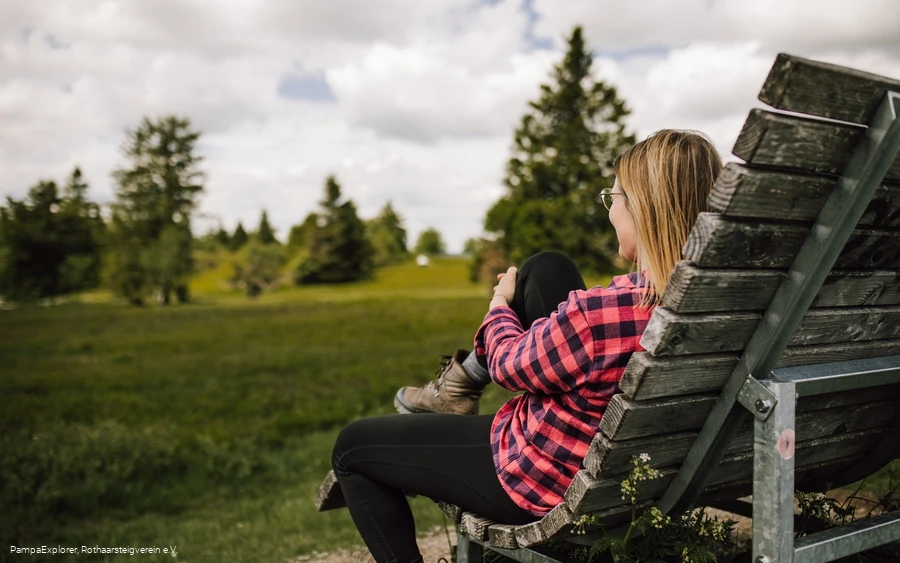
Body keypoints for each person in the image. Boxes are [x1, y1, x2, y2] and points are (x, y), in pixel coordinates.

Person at [331, 129, 722, 563]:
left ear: (642, 210)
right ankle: (458, 388)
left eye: (613, 199)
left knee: (350, 448)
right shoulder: (723, 306)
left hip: (542, 476)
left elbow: (505, 365)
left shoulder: (600, 315)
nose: (610, 212)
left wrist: (499, 303)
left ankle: (457, 388)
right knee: (548, 268)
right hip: (642, 469)